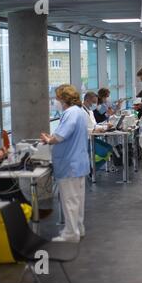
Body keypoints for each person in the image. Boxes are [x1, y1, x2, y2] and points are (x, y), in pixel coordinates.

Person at [40, 84, 90, 242]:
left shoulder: (70, 113)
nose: (55, 101)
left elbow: (60, 136)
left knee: (69, 200)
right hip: (78, 163)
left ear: (64, 99)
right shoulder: (79, 112)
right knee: (78, 200)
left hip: (69, 164)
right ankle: (78, 228)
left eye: (56, 98)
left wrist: (49, 139)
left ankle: (70, 234)